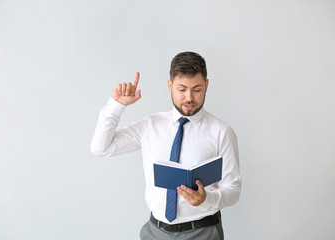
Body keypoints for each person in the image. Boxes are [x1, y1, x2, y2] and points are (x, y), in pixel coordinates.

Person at [90, 51, 241, 240]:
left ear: (206, 86)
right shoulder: (149, 126)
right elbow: (101, 148)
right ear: (169, 85)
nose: (189, 98)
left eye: (197, 89)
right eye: (182, 89)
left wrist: (206, 199)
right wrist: (116, 106)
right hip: (155, 232)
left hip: (202, 232)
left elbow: (233, 189)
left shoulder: (221, 132)